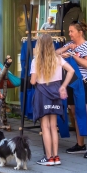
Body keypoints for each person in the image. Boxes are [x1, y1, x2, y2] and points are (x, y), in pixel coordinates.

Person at [57, 21, 87, 159]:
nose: (69, 34)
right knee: (75, 113)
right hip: (72, 83)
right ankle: (80, 144)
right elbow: (55, 54)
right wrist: (67, 48)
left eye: (72, 31)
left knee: (86, 114)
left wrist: (73, 56)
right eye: (69, 31)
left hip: (84, 84)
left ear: (80, 32)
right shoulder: (70, 45)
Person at [32, 34, 75, 166]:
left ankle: (48, 157)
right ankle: (56, 157)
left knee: (45, 126)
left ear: (39, 45)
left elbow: (33, 81)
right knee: (53, 126)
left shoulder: (36, 61)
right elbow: (71, 71)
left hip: (42, 94)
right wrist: (63, 86)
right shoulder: (57, 58)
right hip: (56, 92)